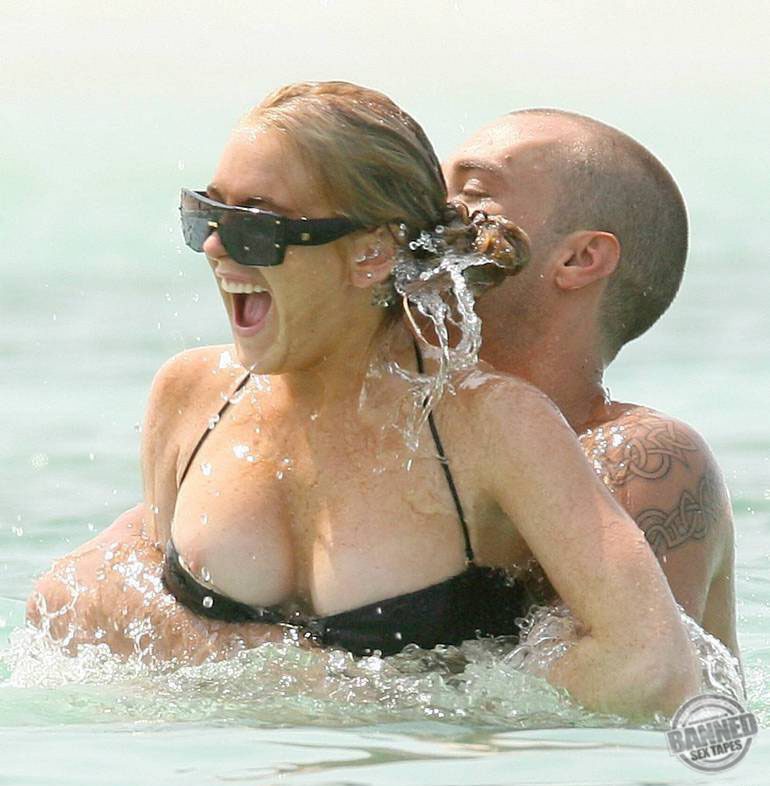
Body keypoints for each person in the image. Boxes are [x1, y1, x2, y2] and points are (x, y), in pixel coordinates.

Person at [25, 81, 701, 718]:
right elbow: (78, 595)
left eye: (257, 226)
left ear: (372, 254)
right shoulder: (193, 395)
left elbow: (648, 662)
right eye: (204, 214)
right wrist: (272, 670)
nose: (215, 245)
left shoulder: (501, 427)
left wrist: (406, 722)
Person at [443, 109, 738, 657]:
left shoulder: (634, 459)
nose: (429, 216)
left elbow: (621, 685)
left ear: (580, 259)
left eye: (473, 192)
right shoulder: (400, 438)